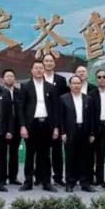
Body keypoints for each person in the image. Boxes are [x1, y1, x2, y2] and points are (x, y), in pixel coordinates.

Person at [19, 61, 58, 192]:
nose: (39, 70)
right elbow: (21, 108)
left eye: (41, 68)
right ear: (32, 70)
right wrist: (22, 126)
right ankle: (28, 182)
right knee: (30, 155)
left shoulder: (50, 87)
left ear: (44, 70)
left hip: (46, 124)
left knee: (45, 155)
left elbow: (55, 109)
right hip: (31, 125)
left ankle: (47, 182)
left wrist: (55, 127)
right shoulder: (25, 86)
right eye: (36, 68)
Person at [58, 76, 95, 193]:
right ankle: (70, 183)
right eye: (74, 83)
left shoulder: (88, 99)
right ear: (70, 85)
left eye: (78, 83)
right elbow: (61, 118)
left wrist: (92, 133)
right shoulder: (63, 98)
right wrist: (62, 133)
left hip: (85, 131)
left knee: (85, 158)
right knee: (70, 158)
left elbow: (92, 118)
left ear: (81, 85)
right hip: (70, 132)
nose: (76, 85)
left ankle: (85, 183)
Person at [42, 54, 68, 187]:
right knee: (42, 151)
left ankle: (58, 177)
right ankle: (41, 177)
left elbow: (64, 101)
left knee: (57, 151)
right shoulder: (38, 78)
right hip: (41, 120)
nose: (48, 63)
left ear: (54, 63)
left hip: (56, 119)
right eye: (46, 61)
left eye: (51, 61)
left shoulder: (61, 80)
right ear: (43, 63)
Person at [2, 69, 23, 185]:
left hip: (16, 126)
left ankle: (13, 177)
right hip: (3, 127)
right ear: (3, 79)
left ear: (14, 79)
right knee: (2, 153)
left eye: (11, 76)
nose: (9, 78)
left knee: (14, 153)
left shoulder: (20, 92)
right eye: (7, 76)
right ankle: (2, 177)